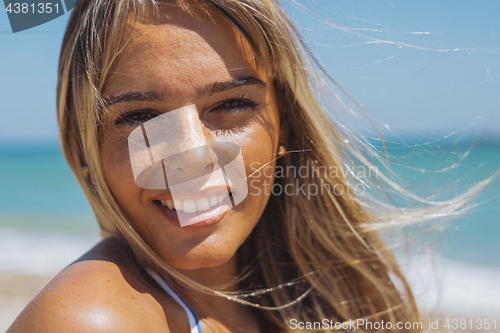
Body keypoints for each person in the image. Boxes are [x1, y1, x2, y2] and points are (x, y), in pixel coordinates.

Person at [8, 0, 440, 332]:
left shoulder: (330, 297)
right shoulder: (89, 320)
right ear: (85, 147)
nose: (191, 157)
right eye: (139, 116)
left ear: (285, 121)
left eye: (231, 104)